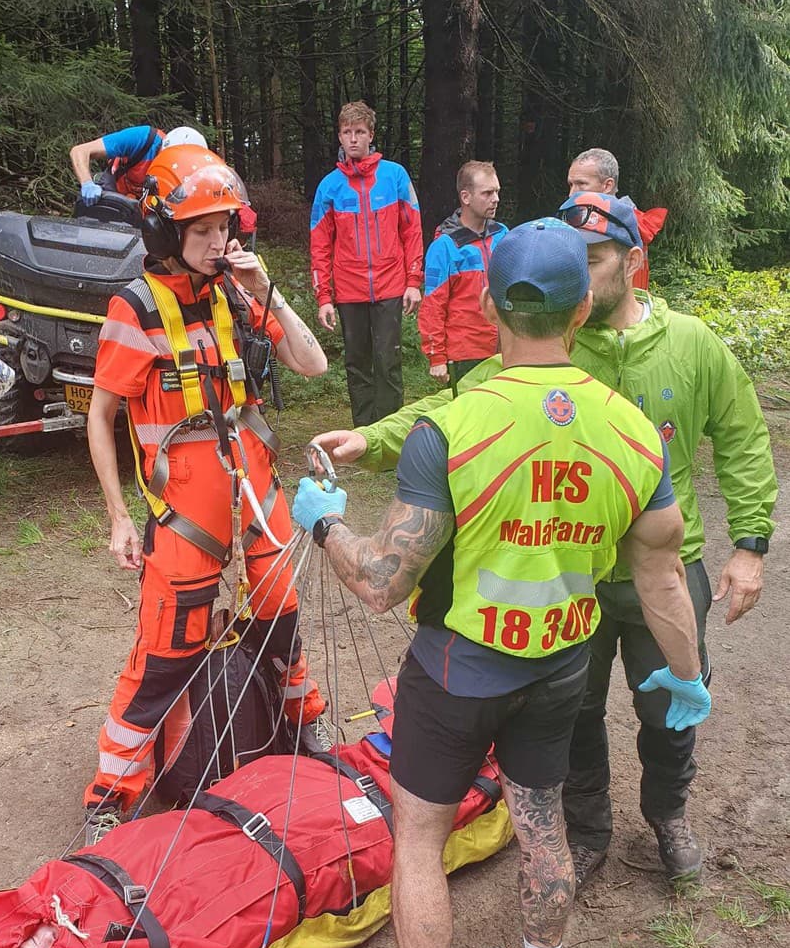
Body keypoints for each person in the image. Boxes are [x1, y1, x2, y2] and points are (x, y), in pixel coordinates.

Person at [292, 218, 709, 948]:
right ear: (584, 305)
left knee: (418, 837)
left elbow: (380, 580)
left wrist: (324, 521)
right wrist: (686, 675)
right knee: (542, 823)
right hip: (560, 667)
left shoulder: (451, 431)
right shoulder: (634, 434)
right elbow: (664, 578)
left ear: (486, 306)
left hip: (455, 674)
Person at [310, 191, 775, 890]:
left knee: (673, 702)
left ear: (633, 260)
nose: (579, 276)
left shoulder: (692, 346)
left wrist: (750, 544)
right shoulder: (555, 345)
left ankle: (669, 817)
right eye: (573, 262)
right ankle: (586, 831)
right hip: (571, 574)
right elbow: (457, 408)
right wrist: (374, 438)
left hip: (663, 567)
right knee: (575, 712)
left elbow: (742, 438)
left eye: (594, 259)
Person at [83, 144, 330, 845]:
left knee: (281, 615)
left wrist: (266, 287)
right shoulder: (136, 307)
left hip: (252, 486)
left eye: (224, 226)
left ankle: (301, 729)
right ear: (166, 233)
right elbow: (101, 417)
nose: (218, 241)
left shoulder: (236, 292)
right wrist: (118, 516)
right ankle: (113, 789)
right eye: (202, 230)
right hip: (185, 504)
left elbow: (311, 364)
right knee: (167, 650)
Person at [309, 100, 423, 426]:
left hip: (390, 283)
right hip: (348, 289)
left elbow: (412, 230)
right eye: (347, 132)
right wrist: (323, 297)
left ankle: (388, 434)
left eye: (360, 131)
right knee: (357, 362)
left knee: (388, 361)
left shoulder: (395, 176)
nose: (354, 139)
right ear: (340, 137)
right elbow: (319, 246)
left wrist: (413, 281)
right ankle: (363, 433)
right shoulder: (329, 187)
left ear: (371, 134)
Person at [418, 160, 507, 387]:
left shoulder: (503, 234)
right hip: (465, 353)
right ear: (466, 197)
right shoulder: (445, 246)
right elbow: (433, 305)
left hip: (506, 347)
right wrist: (436, 356)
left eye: (496, 191)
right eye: (487, 193)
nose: (495, 199)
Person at [566, 148, 667, 289]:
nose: (572, 194)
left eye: (581, 184)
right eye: (571, 184)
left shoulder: (612, 226)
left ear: (607, 185)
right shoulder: (632, 221)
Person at [70, 123, 208, 205]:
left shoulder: (190, 175)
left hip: (148, 207)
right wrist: (87, 183)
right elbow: (79, 151)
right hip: (113, 190)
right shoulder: (142, 138)